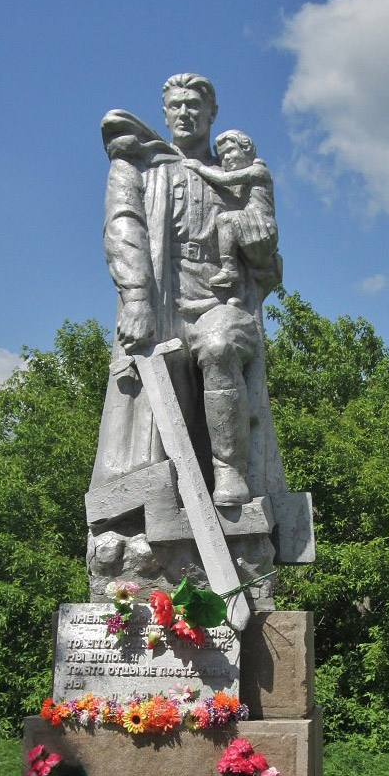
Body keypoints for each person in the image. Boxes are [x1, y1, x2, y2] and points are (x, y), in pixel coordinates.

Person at [90, 73, 287, 515]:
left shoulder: (235, 172)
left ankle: (230, 471)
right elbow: (122, 227)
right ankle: (155, 509)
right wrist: (137, 298)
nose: (185, 113)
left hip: (221, 295)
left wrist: (259, 241)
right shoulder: (139, 165)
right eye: (176, 105)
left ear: (212, 114)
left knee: (219, 348)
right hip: (161, 298)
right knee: (160, 413)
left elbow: (268, 264)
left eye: (195, 105)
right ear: (164, 112)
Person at [183, 129, 277, 290]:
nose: (226, 158)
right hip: (250, 222)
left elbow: (223, 178)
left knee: (224, 219)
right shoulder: (246, 178)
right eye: (222, 156)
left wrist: (198, 167)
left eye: (230, 151)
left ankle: (229, 268)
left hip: (260, 222)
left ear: (246, 148)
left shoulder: (258, 170)